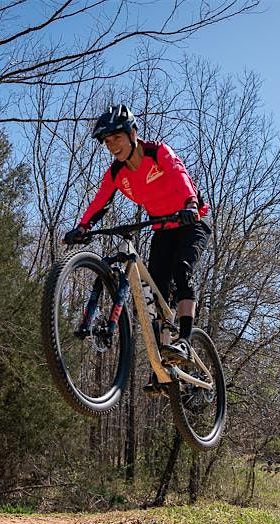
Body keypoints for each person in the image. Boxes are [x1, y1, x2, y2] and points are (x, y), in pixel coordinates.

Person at [64, 104, 210, 395]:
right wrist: (82, 227)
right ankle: (165, 366)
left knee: (181, 272)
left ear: (133, 133)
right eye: (106, 142)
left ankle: (183, 340)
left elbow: (181, 177)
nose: (112, 146)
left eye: (116, 138)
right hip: (162, 231)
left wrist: (190, 206)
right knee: (155, 292)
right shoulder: (117, 173)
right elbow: (100, 201)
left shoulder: (159, 153)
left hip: (191, 222)